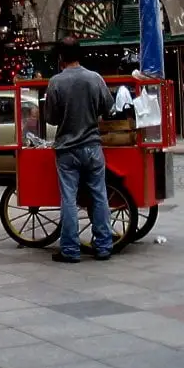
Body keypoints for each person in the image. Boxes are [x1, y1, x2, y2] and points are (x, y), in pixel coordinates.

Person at [45, 37, 114, 263]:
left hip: (67, 149)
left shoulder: (56, 82)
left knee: (69, 199)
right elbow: (108, 108)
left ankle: (70, 250)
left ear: (61, 57)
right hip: (92, 146)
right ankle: (104, 246)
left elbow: (52, 118)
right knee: (99, 195)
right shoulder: (95, 78)